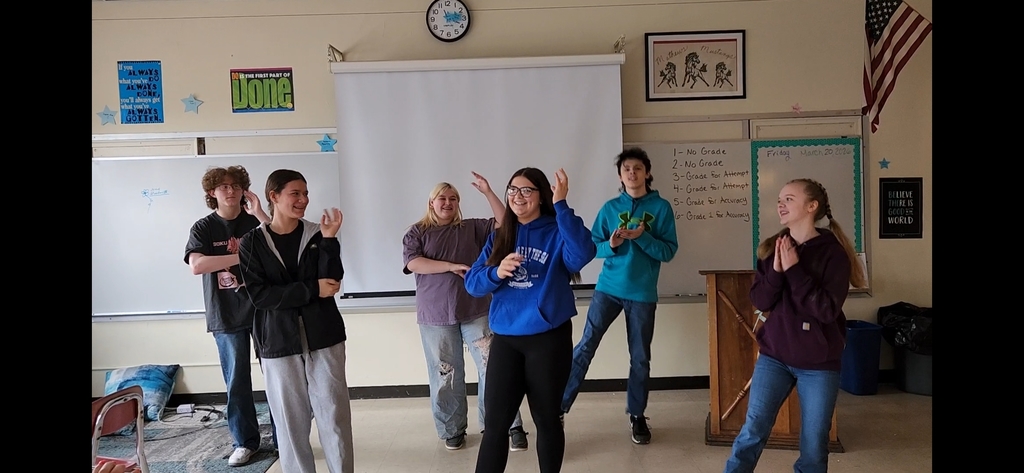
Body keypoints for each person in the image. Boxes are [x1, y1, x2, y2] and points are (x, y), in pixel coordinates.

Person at [722, 178, 867, 473]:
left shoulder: (833, 254)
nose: (780, 204)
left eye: (789, 199)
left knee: (814, 444)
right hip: (775, 357)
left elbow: (825, 310)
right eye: (779, 199)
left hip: (819, 364)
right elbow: (760, 301)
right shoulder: (773, 248)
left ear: (812, 206)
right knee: (752, 430)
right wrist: (777, 271)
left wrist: (794, 269)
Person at [465, 167, 597, 473]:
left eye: (526, 190)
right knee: (495, 425)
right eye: (512, 190)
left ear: (542, 196)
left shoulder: (557, 231)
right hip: (507, 340)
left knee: (547, 419)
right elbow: (472, 283)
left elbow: (583, 253)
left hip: (548, 339)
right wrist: (497, 272)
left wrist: (561, 204)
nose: (517, 196)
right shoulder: (501, 236)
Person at [237, 169, 353, 473]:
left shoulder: (318, 234)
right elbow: (261, 296)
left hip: (324, 337)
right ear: (273, 196)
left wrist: (330, 240)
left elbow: (332, 281)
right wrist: (311, 289)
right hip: (277, 342)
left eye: (306, 193)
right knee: (290, 424)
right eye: (295, 193)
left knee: (335, 416)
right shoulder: (252, 242)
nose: (303, 200)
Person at [560, 147, 678, 444]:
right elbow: (591, 247)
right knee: (585, 346)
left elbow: (668, 251)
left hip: (642, 293)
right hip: (608, 289)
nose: (632, 173)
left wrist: (643, 237)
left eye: (637, 168)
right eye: (626, 169)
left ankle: (637, 415)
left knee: (640, 357)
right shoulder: (610, 208)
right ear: (620, 176)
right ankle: (558, 407)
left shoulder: (661, 208)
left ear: (647, 173)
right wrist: (611, 244)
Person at [402, 173, 528, 452]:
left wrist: (488, 192)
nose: (447, 203)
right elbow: (414, 263)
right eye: (442, 198)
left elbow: (506, 223)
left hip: (476, 310)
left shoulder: (471, 227)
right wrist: (450, 266)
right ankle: (453, 429)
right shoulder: (417, 232)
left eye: (453, 198)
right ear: (431, 202)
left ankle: (506, 425)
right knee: (445, 375)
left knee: (493, 369)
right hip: (436, 316)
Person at [183, 165, 275, 467]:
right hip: (225, 313)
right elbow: (198, 265)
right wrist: (244, 256)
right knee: (237, 381)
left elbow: (279, 243)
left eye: (236, 185)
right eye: (223, 186)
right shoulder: (203, 227)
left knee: (277, 377)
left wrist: (260, 212)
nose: (231, 191)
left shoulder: (254, 222)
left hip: (263, 310)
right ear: (212, 192)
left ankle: (284, 437)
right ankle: (245, 442)